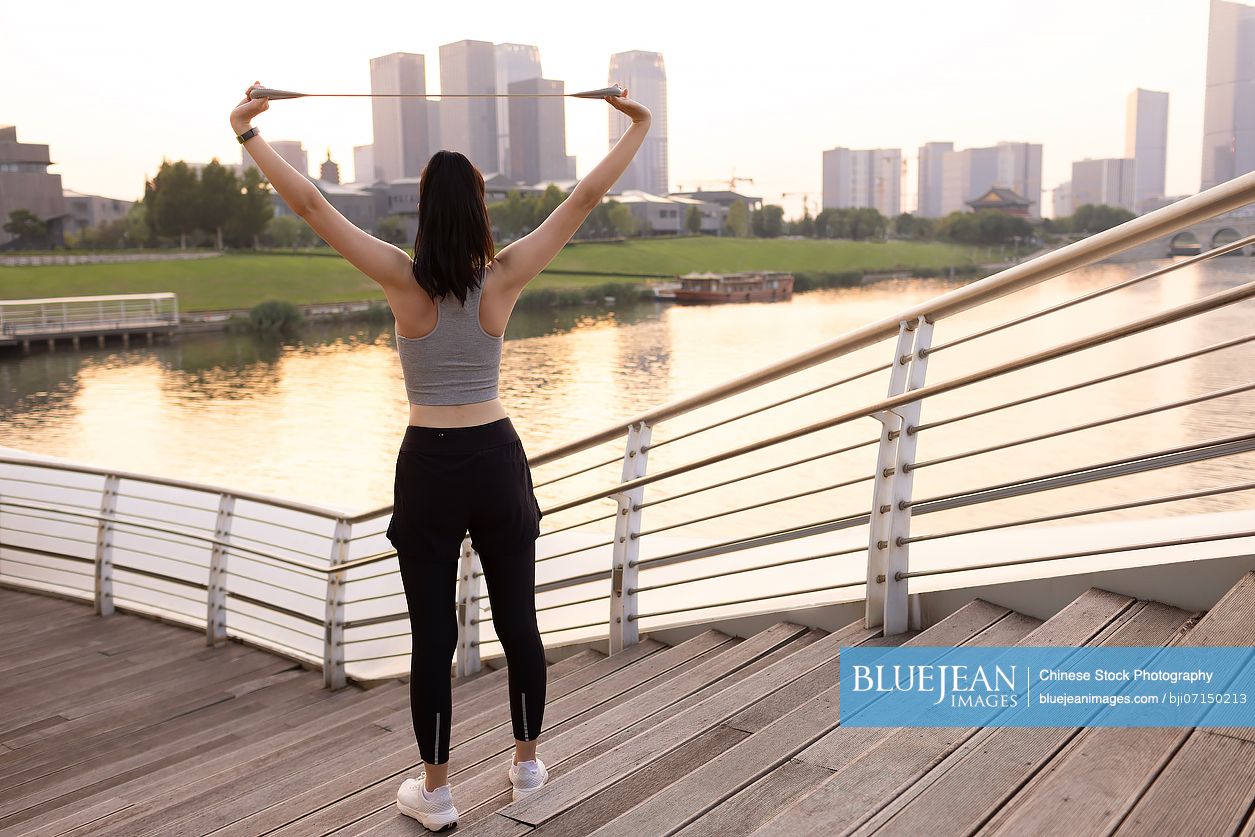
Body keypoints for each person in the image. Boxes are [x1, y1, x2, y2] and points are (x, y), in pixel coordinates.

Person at [230, 80, 651, 832]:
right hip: (495, 454)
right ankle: (525, 769)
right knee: (518, 619)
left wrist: (247, 135)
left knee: (432, 636)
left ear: (424, 212)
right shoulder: (505, 275)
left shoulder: (401, 277)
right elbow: (584, 199)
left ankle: (437, 789)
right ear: (482, 209)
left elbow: (313, 208)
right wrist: (637, 125)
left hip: (427, 461)